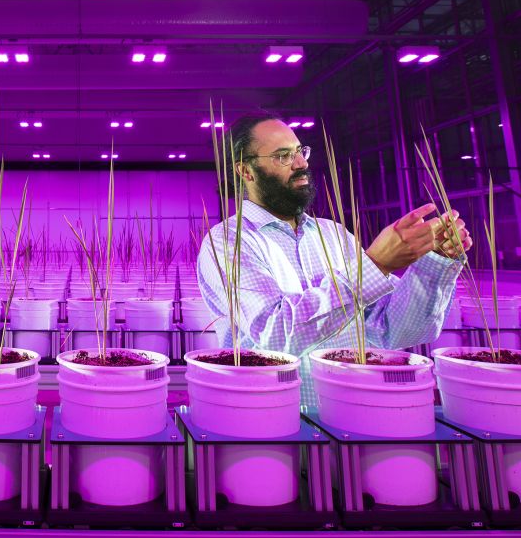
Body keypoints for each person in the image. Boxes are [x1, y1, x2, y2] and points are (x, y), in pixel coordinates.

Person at [197, 113, 472, 405]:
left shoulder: (334, 235)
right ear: (246, 171)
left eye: (300, 151)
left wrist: (434, 263)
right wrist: (375, 266)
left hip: (357, 407)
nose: (301, 163)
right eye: (282, 156)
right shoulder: (229, 242)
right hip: (276, 417)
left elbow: (398, 331)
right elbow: (275, 338)